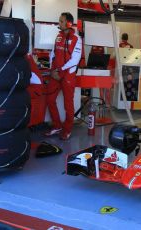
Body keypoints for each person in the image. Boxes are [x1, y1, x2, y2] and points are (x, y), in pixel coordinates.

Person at [45, 12, 82, 140]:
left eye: (61, 21)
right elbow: (53, 53)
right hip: (55, 74)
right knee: (49, 99)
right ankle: (57, 125)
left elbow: (75, 60)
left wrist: (59, 70)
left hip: (68, 75)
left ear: (68, 23)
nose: (59, 23)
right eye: (59, 21)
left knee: (68, 105)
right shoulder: (58, 36)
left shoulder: (77, 38)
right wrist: (52, 70)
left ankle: (67, 129)